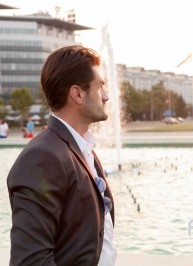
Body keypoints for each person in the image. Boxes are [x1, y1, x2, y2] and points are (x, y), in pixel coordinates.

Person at [7, 45, 116, 265]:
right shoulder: (42, 157)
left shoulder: (82, 149)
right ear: (77, 93)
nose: (105, 97)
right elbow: (30, 261)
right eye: (100, 86)